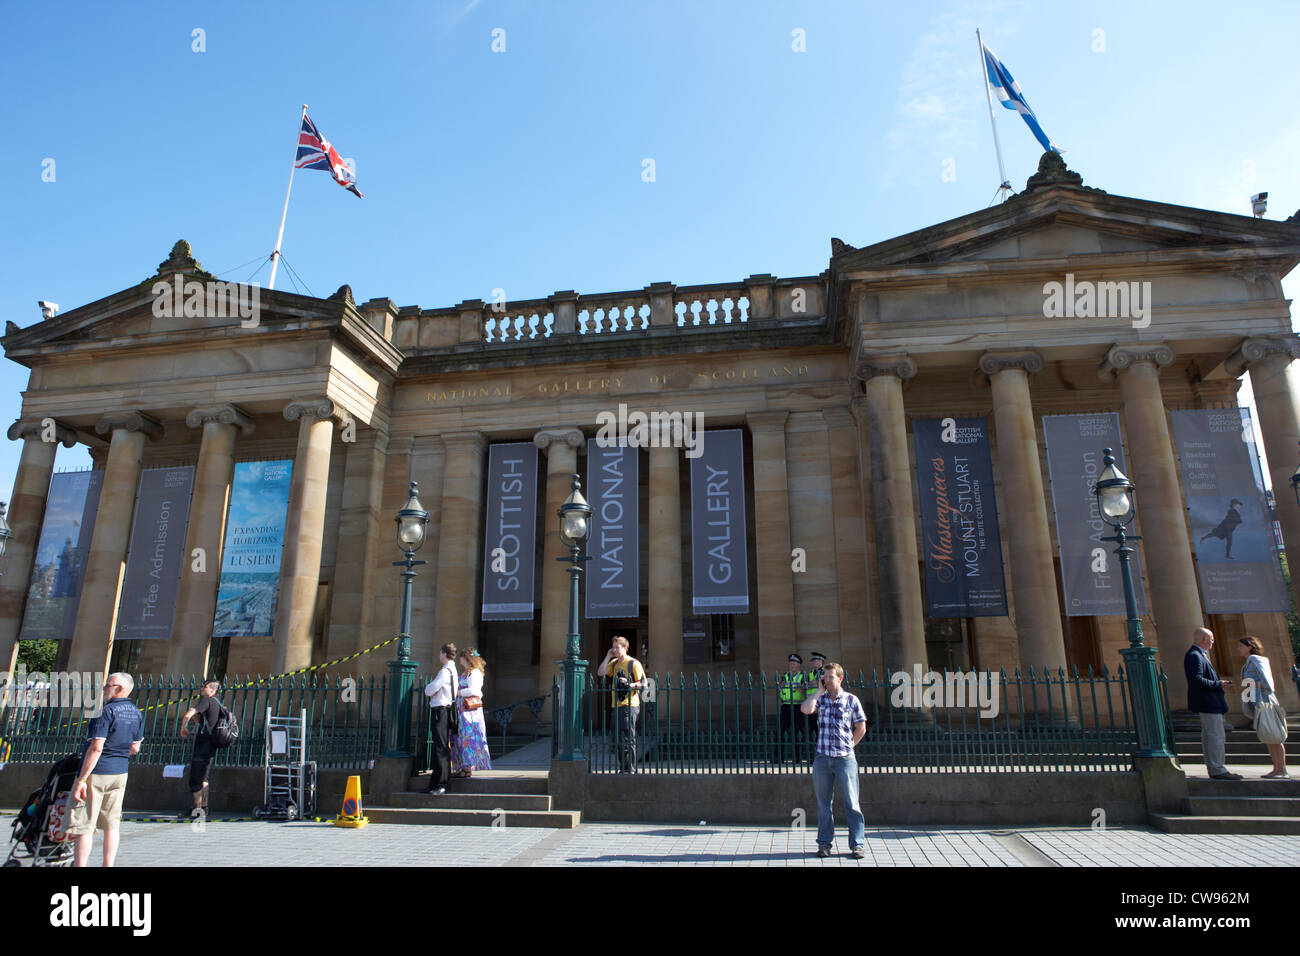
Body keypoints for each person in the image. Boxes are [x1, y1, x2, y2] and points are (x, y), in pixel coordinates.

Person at [67, 672, 144, 867]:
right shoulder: (137, 712)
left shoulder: (105, 711)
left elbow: (96, 747)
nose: (104, 689)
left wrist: (82, 780)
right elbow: (135, 748)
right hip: (120, 772)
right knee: (111, 825)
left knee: (84, 825)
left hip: (98, 771)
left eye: (108, 685)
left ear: (119, 688)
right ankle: (108, 865)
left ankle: (80, 865)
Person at [801, 661, 867, 859]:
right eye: (825, 677)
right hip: (822, 758)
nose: (827, 680)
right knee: (824, 804)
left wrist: (848, 747)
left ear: (840, 678)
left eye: (830, 677)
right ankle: (824, 844)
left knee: (852, 803)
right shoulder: (821, 700)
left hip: (844, 759)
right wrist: (817, 691)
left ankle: (857, 844)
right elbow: (805, 709)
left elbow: (861, 727)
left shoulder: (851, 700)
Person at [1184, 627, 1241, 781]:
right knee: (1215, 736)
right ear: (1203, 639)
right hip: (1207, 702)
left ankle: (1215, 767)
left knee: (1211, 736)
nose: (1213, 642)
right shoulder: (1195, 656)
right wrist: (1218, 684)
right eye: (1211, 639)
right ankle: (1217, 768)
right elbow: (1196, 680)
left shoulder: (1199, 655)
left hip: (1209, 702)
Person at [1236, 636, 1289, 778]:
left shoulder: (1256, 659)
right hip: (1257, 703)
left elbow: (1268, 684)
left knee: (1274, 735)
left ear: (1250, 647)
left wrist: (1252, 684)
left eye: (1240, 646)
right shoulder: (1248, 662)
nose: (1238, 649)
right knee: (1268, 736)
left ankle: (1282, 769)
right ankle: (1276, 768)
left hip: (1265, 702)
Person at [597, 636, 645, 774]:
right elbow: (600, 672)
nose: (615, 650)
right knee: (617, 739)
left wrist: (629, 684)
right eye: (613, 647)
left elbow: (644, 683)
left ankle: (630, 769)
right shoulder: (614, 663)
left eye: (618, 647)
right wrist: (607, 656)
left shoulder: (633, 663)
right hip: (616, 705)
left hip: (630, 705)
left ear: (625, 648)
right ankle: (623, 768)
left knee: (627, 738)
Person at [177, 678, 223, 820]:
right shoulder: (217, 704)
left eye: (206, 687)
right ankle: (204, 807)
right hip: (211, 744)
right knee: (204, 777)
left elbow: (188, 714)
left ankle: (197, 811)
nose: (202, 689)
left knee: (196, 778)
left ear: (213, 690)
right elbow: (205, 720)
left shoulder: (207, 701)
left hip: (203, 743)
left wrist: (183, 728)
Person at [422, 644, 458, 795]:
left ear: (444, 653)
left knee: (440, 747)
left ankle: (441, 784)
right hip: (447, 710)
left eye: (440, 653)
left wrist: (430, 690)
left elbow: (429, 689)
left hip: (440, 711)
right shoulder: (453, 670)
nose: (439, 656)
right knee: (442, 746)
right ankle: (435, 783)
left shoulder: (444, 672)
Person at [452, 650, 492, 778]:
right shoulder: (466, 673)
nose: (460, 660)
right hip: (463, 710)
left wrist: (458, 693)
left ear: (467, 658)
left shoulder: (474, 673)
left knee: (468, 738)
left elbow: (475, 691)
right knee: (461, 738)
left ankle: (467, 768)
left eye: (461, 657)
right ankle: (464, 767)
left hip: (469, 711)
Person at [773, 653, 809, 763]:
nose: (792, 665)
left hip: (799, 706)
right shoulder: (785, 676)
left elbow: (806, 690)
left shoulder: (803, 676)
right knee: (780, 731)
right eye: (791, 663)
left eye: (794, 663)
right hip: (786, 706)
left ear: (799, 665)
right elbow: (781, 689)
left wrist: (800, 688)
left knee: (800, 732)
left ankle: (799, 757)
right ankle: (778, 757)